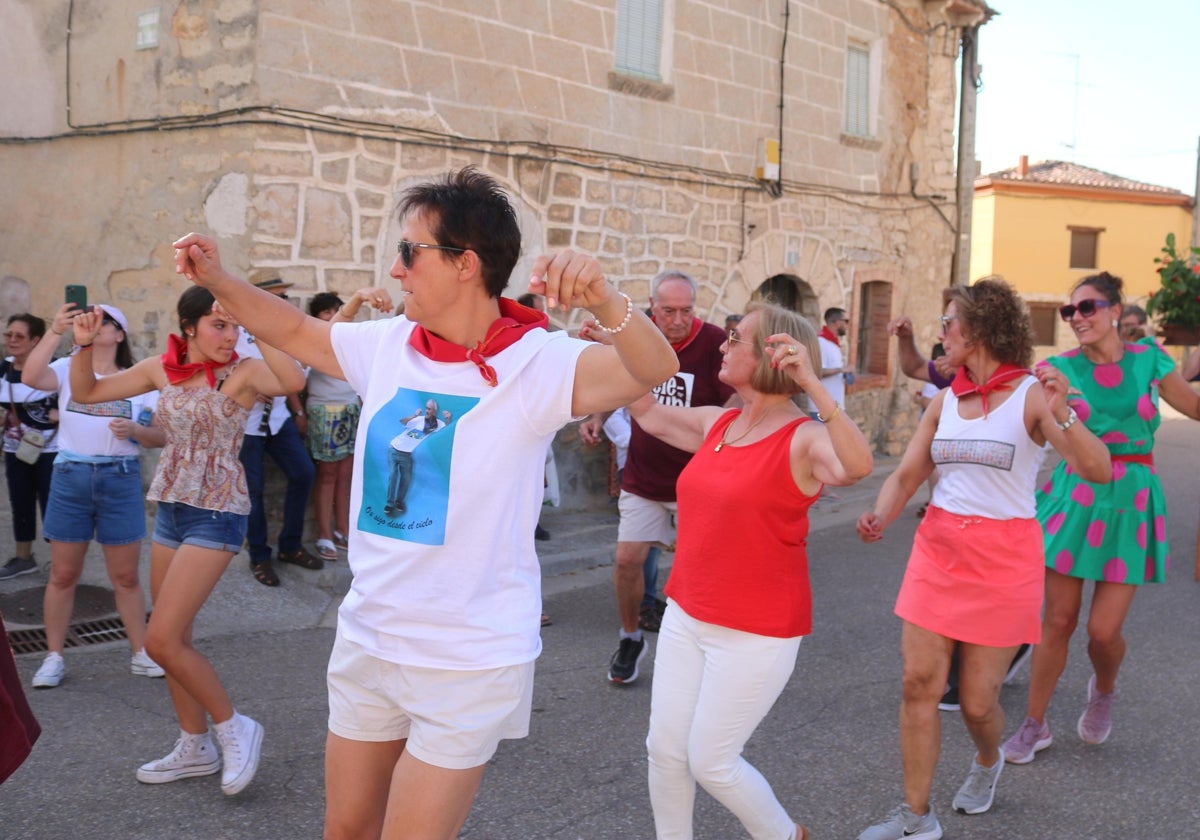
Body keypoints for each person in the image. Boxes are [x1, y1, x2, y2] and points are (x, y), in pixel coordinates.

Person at [171, 165, 679, 839]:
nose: (397, 268)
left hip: (467, 657)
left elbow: (654, 368)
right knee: (344, 831)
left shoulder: (536, 362)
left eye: (410, 252)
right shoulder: (387, 345)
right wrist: (215, 276)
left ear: (466, 264)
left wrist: (609, 302)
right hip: (370, 637)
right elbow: (295, 331)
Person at [855, 278, 1111, 840]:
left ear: (977, 331)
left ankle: (988, 758)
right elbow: (907, 474)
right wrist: (881, 515)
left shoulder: (1033, 396)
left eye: (948, 323)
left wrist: (1065, 413)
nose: (940, 333)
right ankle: (915, 816)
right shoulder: (946, 400)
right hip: (939, 549)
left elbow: (1098, 469)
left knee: (976, 704)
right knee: (919, 680)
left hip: (1004, 559)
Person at [634, 302, 872, 840]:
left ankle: (787, 836)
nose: (722, 344)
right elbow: (647, 412)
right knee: (664, 750)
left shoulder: (804, 438)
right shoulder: (720, 423)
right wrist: (617, 340)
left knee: (711, 761)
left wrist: (812, 382)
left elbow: (856, 467)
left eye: (735, 338)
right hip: (687, 612)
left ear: (772, 353)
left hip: (757, 629)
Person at [67, 286, 307, 795]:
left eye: (234, 325)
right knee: (174, 641)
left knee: (158, 640)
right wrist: (83, 346)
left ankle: (234, 725)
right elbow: (86, 392)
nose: (230, 335)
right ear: (190, 326)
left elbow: (290, 379)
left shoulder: (243, 372)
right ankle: (195, 745)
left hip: (218, 512)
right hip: (174, 508)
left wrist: (258, 324)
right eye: (219, 324)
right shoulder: (162, 367)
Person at [1000, 271, 1200, 766]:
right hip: (1077, 496)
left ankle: (1103, 690)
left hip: (1134, 499)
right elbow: (1039, 432)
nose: (1076, 318)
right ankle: (1033, 724)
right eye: (1070, 311)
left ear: (1115, 310)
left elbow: (1194, 406)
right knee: (1058, 621)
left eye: (1087, 307)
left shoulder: (1150, 359)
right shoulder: (1057, 368)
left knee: (1103, 632)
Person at [579, 269, 733, 684]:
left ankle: (699, 645)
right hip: (645, 474)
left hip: (696, 479)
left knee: (695, 570)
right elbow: (622, 380)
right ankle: (630, 637)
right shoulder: (639, 335)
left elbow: (734, 399)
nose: (678, 320)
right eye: (668, 310)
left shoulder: (716, 342)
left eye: (686, 311)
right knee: (627, 559)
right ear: (653, 305)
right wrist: (598, 417)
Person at [22, 303, 167, 689]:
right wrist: (54, 330)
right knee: (63, 573)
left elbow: (161, 436)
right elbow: (31, 375)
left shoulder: (139, 380)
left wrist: (135, 431)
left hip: (119, 477)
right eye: (89, 318)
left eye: (104, 320)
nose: (93, 323)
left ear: (119, 334)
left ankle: (140, 652)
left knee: (125, 576)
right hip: (71, 475)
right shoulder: (70, 369)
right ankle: (54, 657)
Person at [237, 273, 320, 586]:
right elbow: (225, 366)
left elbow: (300, 369)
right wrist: (248, 385)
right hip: (247, 422)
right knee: (253, 492)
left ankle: (291, 546)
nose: (283, 302)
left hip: (278, 417)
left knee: (303, 473)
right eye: (278, 296)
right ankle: (259, 556)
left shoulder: (286, 330)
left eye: (284, 296)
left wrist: (296, 407)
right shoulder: (236, 328)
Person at [0, 314, 59, 580]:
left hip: (51, 450)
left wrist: (61, 415)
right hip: (16, 449)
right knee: (20, 502)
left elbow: (76, 402)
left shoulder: (57, 368)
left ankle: (60, 563)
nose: (11, 340)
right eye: (8, 335)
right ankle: (24, 558)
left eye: (19, 336)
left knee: (53, 505)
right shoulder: (4, 369)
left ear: (36, 340)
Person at [305, 292, 362, 560]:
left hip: (350, 408)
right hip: (324, 410)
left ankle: (343, 529)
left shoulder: (350, 340)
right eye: (325, 312)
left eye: (335, 311)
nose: (331, 316)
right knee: (327, 474)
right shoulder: (314, 340)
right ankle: (324, 534)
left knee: (346, 474)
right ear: (316, 316)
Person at [814, 307, 851, 417]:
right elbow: (817, 372)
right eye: (846, 321)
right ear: (838, 322)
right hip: (822, 408)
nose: (847, 326)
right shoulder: (821, 342)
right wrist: (842, 369)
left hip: (834, 406)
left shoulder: (833, 343)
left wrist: (844, 373)